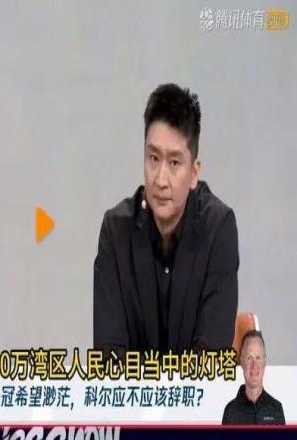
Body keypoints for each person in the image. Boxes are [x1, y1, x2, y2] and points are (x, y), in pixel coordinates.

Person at [94, 83, 238, 354]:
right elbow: (109, 357)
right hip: (132, 385)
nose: (160, 180)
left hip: (193, 385)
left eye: (174, 163)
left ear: (194, 173)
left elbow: (210, 358)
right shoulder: (116, 231)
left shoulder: (218, 228)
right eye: (153, 158)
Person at [222, 330, 285, 424]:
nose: (254, 365)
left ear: (264, 362)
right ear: (242, 362)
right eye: (249, 358)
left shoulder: (276, 409)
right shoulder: (230, 411)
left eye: (258, 358)